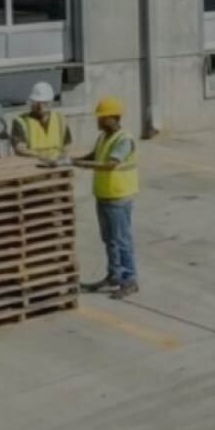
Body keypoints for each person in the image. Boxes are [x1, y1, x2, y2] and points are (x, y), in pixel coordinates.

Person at [72, 96, 139, 299]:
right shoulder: (103, 137)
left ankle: (130, 280)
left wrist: (82, 165)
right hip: (103, 195)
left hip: (118, 197)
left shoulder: (124, 139)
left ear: (113, 118)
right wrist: (73, 160)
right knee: (109, 239)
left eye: (101, 118)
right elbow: (95, 156)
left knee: (121, 239)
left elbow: (110, 163)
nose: (98, 121)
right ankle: (114, 275)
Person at [10, 82, 71, 163]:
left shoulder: (60, 119)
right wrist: (41, 157)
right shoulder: (21, 121)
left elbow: (67, 145)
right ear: (32, 103)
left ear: (51, 102)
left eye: (45, 103)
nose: (41, 106)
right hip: (31, 167)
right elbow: (20, 149)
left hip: (57, 166)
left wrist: (63, 158)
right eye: (37, 102)